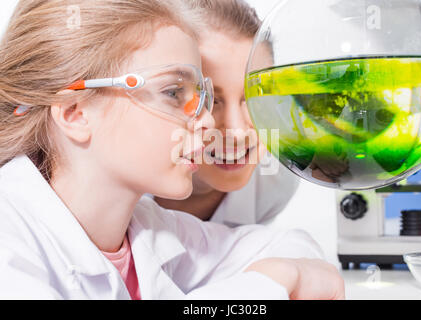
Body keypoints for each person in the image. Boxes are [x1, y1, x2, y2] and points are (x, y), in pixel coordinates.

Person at [0, 0, 344, 300]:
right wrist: (274, 280)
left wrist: (288, 272)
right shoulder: (10, 238)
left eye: (200, 96)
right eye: (174, 93)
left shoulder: (150, 229)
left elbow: (289, 246)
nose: (208, 121)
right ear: (75, 112)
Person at [155, 0, 300, 227]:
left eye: (255, 96)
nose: (237, 132)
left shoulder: (274, 182)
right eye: (210, 100)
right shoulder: (123, 182)